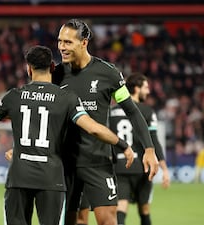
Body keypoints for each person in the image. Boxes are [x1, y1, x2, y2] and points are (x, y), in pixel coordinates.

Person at [0, 45, 134, 225]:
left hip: (19, 176)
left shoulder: (14, 96)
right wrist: (122, 144)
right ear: (53, 67)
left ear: (28, 68)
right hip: (51, 178)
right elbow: (93, 128)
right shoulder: (66, 98)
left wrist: (14, 112)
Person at [53, 19, 159, 225]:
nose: (61, 47)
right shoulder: (56, 74)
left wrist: (149, 148)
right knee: (76, 221)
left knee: (109, 221)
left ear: (84, 42)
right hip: (66, 163)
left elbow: (132, 111)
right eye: (60, 41)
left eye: (67, 42)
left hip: (98, 160)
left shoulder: (108, 73)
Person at [109, 73, 170, 225]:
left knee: (121, 208)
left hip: (120, 167)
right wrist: (164, 169)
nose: (148, 91)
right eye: (146, 88)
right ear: (136, 89)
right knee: (144, 210)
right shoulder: (147, 111)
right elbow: (154, 141)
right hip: (143, 168)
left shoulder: (111, 112)